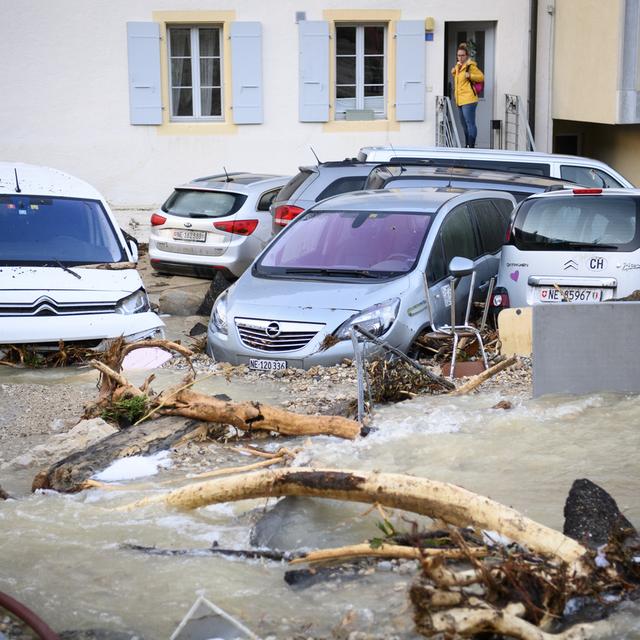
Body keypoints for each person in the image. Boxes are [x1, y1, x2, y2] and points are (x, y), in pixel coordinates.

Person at [451, 43, 484, 148]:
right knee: (464, 125)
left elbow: (481, 77)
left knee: (470, 124)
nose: (460, 57)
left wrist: (470, 75)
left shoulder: (471, 66)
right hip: (460, 100)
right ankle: (467, 146)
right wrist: (454, 72)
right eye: (458, 55)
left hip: (469, 100)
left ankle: (471, 147)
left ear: (467, 56)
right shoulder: (458, 67)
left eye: (462, 55)